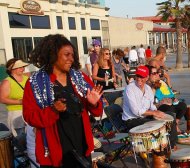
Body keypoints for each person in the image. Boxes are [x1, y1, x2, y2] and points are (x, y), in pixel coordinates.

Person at [23, 34, 103, 167]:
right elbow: (29, 117)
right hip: (55, 148)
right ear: (53, 55)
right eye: (67, 54)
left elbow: (97, 111)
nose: (71, 59)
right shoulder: (34, 83)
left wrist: (93, 103)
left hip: (81, 143)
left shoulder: (80, 78)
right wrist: (53, 110)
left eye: (72, 55)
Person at [122, 66, 177, 147]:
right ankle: (160, 148)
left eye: (142, 77)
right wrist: (154, 113)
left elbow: (151, 105)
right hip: (131, 120)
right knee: (157, 123)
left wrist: (158, 112)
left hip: (144, 117)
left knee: (171, 115)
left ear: (147, 77)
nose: (139, 79)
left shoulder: (147, 89)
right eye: (137, 76)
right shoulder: (129, 89)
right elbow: (136, 111)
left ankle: (172, 145)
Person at [147, 66, 187, 133]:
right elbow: (151, 100)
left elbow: (170, 91)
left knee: (182, 105)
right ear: (148, 75)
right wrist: (154, 87)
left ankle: (176, 123)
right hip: (158, 105)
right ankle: (174, 129)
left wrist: (173, 98)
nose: (157, 74)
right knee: (169, 108)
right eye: (154, 73)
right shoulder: (148, 85)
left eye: (157, 72)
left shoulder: (161, 82)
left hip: (169, 101)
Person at [0, 58, 29, 136]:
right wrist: (20, 102)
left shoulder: (27, 79)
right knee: (20, 139)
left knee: (30, 138)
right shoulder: (7, 82)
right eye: (19, 67)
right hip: (15, 113)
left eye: (23, 67)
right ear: (12, 69)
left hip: (29, 111)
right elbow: (2, 99)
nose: (22, 69)